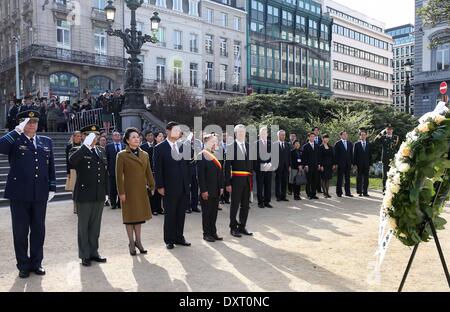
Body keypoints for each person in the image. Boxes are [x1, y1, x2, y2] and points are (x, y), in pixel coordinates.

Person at [0, 110, 56, 278]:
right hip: (19, 194)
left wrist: (52, 187)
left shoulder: (46, 141)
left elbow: (50, 165)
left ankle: (37, 262)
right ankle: (23, 264)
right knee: (20, 230)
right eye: (28, 122)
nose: (32, 125)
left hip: (40, 193)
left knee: (39, 229)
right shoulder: (15, 139)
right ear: (22, 124)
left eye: (35, 122)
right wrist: (17, 130)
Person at [69, 125, 108, 267]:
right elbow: (72, 161)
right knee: (83, 227)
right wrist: (85, 146)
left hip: (98, 194)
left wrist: (107, 193)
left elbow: (105, 174)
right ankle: (85, 254)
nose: (94, 138)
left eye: (96, 135)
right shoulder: (77, 150)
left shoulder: (101, 151)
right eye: (91, 135)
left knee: (95, 226)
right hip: (84, 195)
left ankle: (94, 252)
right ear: (84, 136)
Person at [116, 127, 155, 256]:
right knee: (129, 218)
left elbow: (148, 171)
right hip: (127, 191)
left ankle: (138, 241)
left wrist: (152, 185)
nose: (136, 139)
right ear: (127, 140)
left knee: (139, 218)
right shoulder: (121, 155)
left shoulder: (145, 154)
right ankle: (131, 242)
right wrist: (121, 192)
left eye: (138, 137)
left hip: (140, 190)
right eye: (133, 137)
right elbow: (118, 175)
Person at [153, 121, 191, 249]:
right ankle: (169, 239)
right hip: (169, 186)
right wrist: (160, 186)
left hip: (183, 185)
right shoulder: (159, 148)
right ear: (168, 131)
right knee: (170, 214)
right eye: (175, 130)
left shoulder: (183, 146)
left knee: (181, 213)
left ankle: (179, 237)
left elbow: (187, 164)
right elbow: (157, 169)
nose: (178, 132)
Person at [225, 124, 254, 237]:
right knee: (235, 205)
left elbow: (251, 164)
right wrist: (227, 182)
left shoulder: (249, 146)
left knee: (245, 205)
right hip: (236, 179)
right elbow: (226, 167)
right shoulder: (231, 147)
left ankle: (242, 226)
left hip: (247, 179)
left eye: (243, 132)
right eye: (239, 132)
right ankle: (233, 227)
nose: (241, 134)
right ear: (236, 134)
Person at [197, 134, 224, 242]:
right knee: (207, 213)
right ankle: (206, 233)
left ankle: (213, 232)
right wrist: (203, 190)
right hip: (207, 190)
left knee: (214, 213)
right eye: (213, 141)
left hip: (216, 189)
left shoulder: (216, 155)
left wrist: (221, 186)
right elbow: (200, 175)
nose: (215, 144)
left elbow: (220, 173)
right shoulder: (202, 155)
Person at [374, 123, 399, 192]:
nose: (389, 131)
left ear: (392, 130)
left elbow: (398, 148)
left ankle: (392, 189)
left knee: (393, 174)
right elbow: (375, 141)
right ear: (385, 130)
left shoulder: (395, 138)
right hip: (385, 159)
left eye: (390, 129)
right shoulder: (383, 137)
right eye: (387, 129)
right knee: (385, 175)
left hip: (393, 159)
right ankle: (384, 189)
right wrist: (380, 133)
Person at [146, 131, 165, 215]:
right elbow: (149, 162)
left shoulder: (166, 148)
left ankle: (160, 208)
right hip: (153, 172)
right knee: (154, 191)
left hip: (163, 173)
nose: (161, 138)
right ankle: (153, 208)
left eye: (162, 136)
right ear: (155, 138)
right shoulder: (152, 148)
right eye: (159, 136)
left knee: (161, 191)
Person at [254, 127, 273, 208]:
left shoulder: (271, 143)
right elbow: (255, 157)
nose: (264, 135)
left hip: (269, 168)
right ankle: (260, 202)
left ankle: (267, 202)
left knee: (268, 185)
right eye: (262, 133)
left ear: (267, 134)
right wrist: (262, 165)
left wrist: (270, 164)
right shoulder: (256, 143)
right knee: (260, 186)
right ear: (259, 135)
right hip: (260, 168)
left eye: (265, 133)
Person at [106, 132, 125, 209]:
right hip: (112, 170)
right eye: (115, 135)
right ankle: (113, 203)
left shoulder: (124, 146)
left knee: (122, 187)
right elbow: (106, 159)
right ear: (112, 137)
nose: (117, 136)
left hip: (123, 171)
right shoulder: (108, 146)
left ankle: (120, 203)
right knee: (112, 188)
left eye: (118, 135)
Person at [66, 131, 82, 214]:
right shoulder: (69, 146)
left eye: (80, 136)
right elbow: (67, 160)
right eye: (77, 136)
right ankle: (75, 207)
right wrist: (68, 172)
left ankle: (81, 206)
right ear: (74, 137)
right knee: (74, 190)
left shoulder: (83, 145)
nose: (79, 137)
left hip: (82, 170)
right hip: (73, 170)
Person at [334, 131, 354, 197]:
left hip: (348, 164)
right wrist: (336, 163)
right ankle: (339, 193)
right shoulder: (337, 144)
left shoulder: (350, 143)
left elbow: (351, 154)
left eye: (346, 134)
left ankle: (348, 193)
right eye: (344, 134)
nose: (345, 135)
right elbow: (335, 155)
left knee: (347, 179)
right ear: (341, 136)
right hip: (340, 164)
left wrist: (351, 163)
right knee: (340, 179)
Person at [302, 133, 320, 200]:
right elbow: (304, 157)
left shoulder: (317, 146)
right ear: (308, 137)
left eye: (314, 137)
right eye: (311, 137)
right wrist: (305, 165)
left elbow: (319, 156)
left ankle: (313, 194)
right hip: (308, 166)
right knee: (308, 181)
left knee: (314, 180)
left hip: (315, 166)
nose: (313, 138)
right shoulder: (305, 146)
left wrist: (319, 164)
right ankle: (309, 194)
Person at [353, 128, 372, 197]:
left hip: (366, 164)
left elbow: (370, 155)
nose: (363, 136)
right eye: (362, 135)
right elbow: (354, 155)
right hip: (359, 164)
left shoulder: (369, 144)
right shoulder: (356, 144)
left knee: (366, 179)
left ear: (366, 136)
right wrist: (354, 164)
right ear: (360, 136)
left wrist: (370, 164)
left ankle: (365, 192)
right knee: (359, 178)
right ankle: (359, 191)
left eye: (364, 135)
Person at [274, 130, 291, 202]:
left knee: (284, 181)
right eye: (281, 135)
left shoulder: (287, 144)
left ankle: (283, 196)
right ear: (278, 136)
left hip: (286, 167)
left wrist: (290, 165)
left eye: (284, 135)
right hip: (278, 166)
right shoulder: (274, 144)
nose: (283, 136)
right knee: (278, 181)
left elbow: (289, 156)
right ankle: (278, 196)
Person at [318, 134, 335, 198]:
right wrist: (321, 165)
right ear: (323, 139)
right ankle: (324, 193)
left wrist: (333, 164)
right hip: (323, 166)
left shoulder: (330, 147)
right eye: (325, 138)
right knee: (323, 179)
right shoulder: (320, 147)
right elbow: (319, 157)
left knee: (328, 179)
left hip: (329, 165)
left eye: (327, 138)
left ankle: (327, 192)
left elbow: (332, 156)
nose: (326, 139)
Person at [312, 127, 323, 194]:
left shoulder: (320, 139)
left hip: (319, 159)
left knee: (318, 176)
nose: (316, 131)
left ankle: (318, 189)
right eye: (315, 130)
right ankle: (312, 189)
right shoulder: (309, 139)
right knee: (313, 176)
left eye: (317, 130)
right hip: (312, 160)